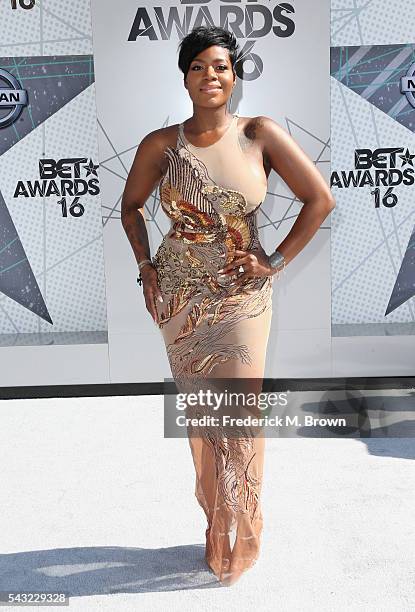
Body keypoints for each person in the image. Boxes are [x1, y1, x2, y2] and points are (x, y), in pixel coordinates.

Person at [121, 26, 335, 586]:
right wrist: (146, 267)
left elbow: (320, 199)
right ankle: (216, 529)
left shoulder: (260, 133)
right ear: (185, 76)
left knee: (237, 417)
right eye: (197, 67)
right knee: (205, 419)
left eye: (219, 66)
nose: (209, 76)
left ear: (234, 74)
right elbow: (131, 208)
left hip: (242, 294)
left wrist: (276, 261)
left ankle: (244, 530)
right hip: (180, 296)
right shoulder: (161, 145)